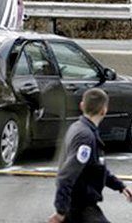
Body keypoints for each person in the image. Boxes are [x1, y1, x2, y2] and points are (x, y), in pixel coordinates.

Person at [48, 88, 132, 222]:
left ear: (82, 106)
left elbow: (96, 167)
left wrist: (120, 186)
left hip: (79, 205)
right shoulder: (85, 138)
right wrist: (60, 211)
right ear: (104, 110)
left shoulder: (79, 128)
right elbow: (66, 175)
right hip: (79, 208)